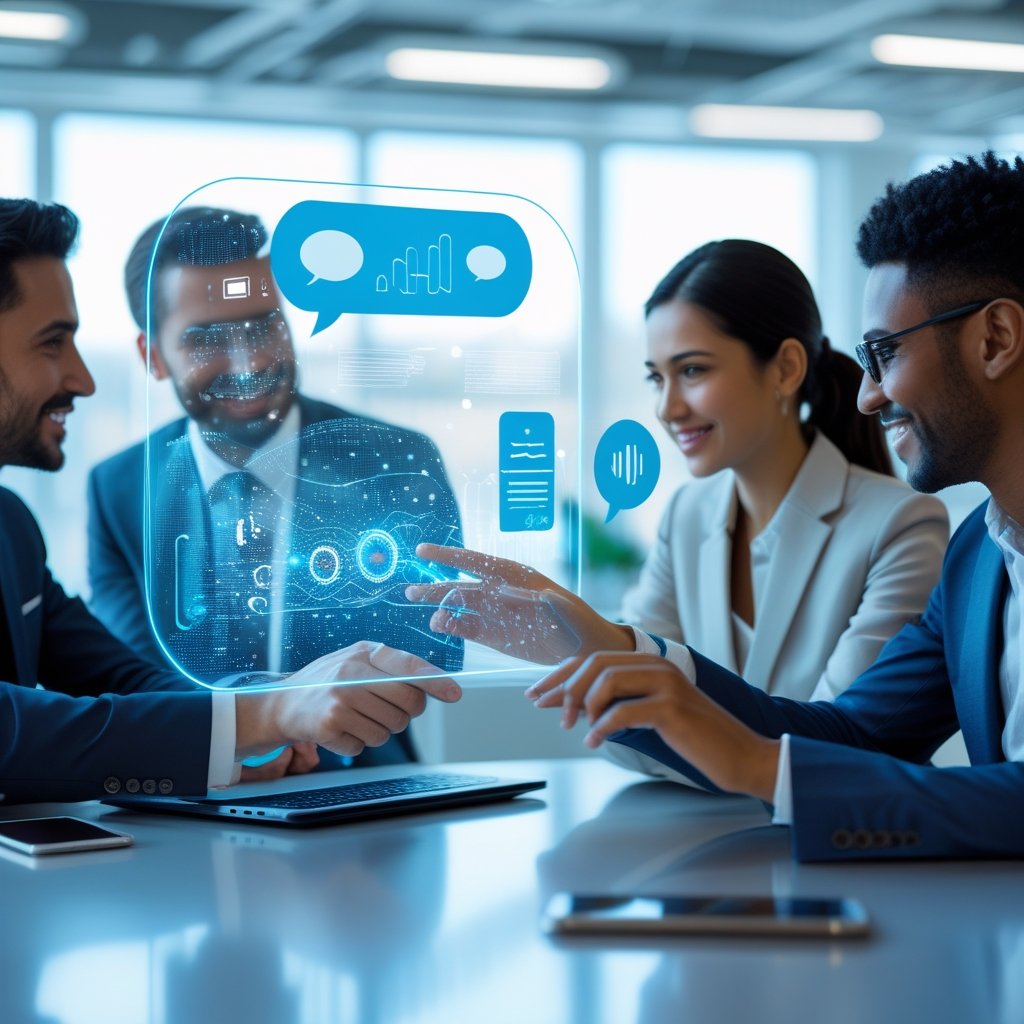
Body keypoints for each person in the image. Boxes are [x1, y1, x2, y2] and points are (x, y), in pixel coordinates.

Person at [525, 151, 1024, 860]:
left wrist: (761, 767)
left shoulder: (916, 529)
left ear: (996, 339)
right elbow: (855, 732)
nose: (867, 394)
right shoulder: (979, 555)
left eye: (886, 353)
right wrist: (622, 653)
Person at [406, 239, 947, 780]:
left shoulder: (899, 525)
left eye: (692, 371)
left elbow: (842, 751)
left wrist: (653, 693)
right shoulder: (687, 515)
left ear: (784, 368)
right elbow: (619, 735)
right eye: (656, 378)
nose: (667, 408)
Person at [0, 197, 461, 805]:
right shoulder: (118, 489)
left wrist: (257, 727)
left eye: (265, 324)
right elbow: (30, 724)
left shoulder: (12, 527)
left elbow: (119, 679)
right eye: (53, 343)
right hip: (186, 810)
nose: (251, 361)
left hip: (360, 794)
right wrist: (266, 718)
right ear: (153, 357)